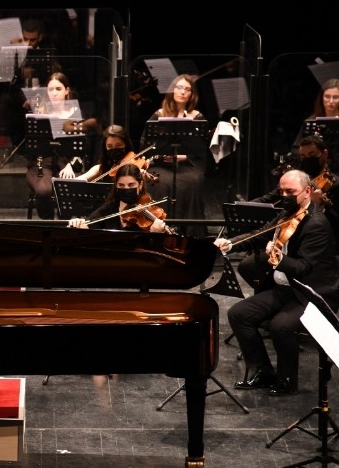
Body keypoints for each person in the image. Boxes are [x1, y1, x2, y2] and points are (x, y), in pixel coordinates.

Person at [214, 169, 339, 396]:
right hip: (284, 289)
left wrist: (279, 259)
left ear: (307, 192)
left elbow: (303, 268)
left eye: (289, 191)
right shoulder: (287, 214)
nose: (284, 195)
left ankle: (287, 380)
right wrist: (230, 244)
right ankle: (262, 371)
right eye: (281, 190)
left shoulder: (317, 224)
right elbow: (261, 234)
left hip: (309, 293)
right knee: (238, 314)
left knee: (280, 327)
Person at [142, 74, 208, 238]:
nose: (183, 92)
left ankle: (191, 234)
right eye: (179, 87)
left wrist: (184, 157)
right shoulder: (159, 114)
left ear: (192, 95)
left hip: (186, 165)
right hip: (162, 165)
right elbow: (146, 144)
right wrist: (162, 155)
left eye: (187, 89)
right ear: (172, 90)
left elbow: (200, 149)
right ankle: (158, 229)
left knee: (193, 181)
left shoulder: (197, 117)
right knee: (159, 182)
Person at [25, 72, 99, 219]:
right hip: (42, 162)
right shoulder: (40, 112)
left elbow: (81, 148)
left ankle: (63, 225)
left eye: (58, 89)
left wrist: (71, 165)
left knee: (66, 189)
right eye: (50, 89)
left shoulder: (76, 112)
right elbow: (32, 146)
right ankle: (47, 225)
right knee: (44, 191)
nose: (54, 93)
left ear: (66, 90)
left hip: (68, 162)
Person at [67, 163, 169, 233]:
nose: (126, 189)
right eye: (121, 185)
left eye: (131, 185)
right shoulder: (110, 207)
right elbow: (88, 224)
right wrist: (78, 224)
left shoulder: (149, 209)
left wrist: (155, 235)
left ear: (140, 185)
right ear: (116, 186)